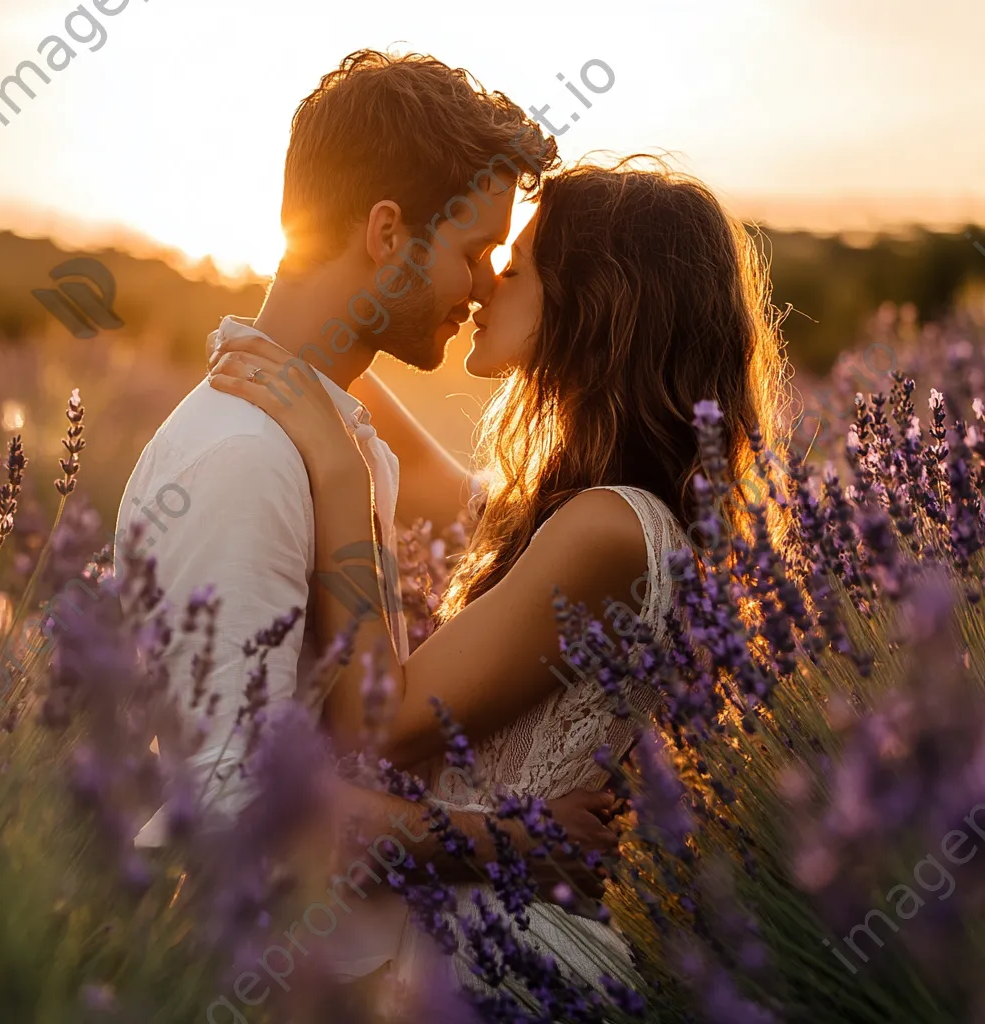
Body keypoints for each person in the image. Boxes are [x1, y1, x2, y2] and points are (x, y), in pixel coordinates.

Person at [206, 155, 789, 994]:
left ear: (592, 302)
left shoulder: (609, 530)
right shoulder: (596, 512)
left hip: (511, 966)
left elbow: (382, 722)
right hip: (488, 935)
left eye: (512, 267)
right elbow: (447, 487)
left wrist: (339, 470)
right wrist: (331, 310)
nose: (484, 286)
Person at [115, 49, 617, 986]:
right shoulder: (247, 458)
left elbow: (362, 726)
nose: (480, 289)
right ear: (387, 230)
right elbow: (238, 806)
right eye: (472, 252)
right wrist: (506, 839)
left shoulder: (332, 440)